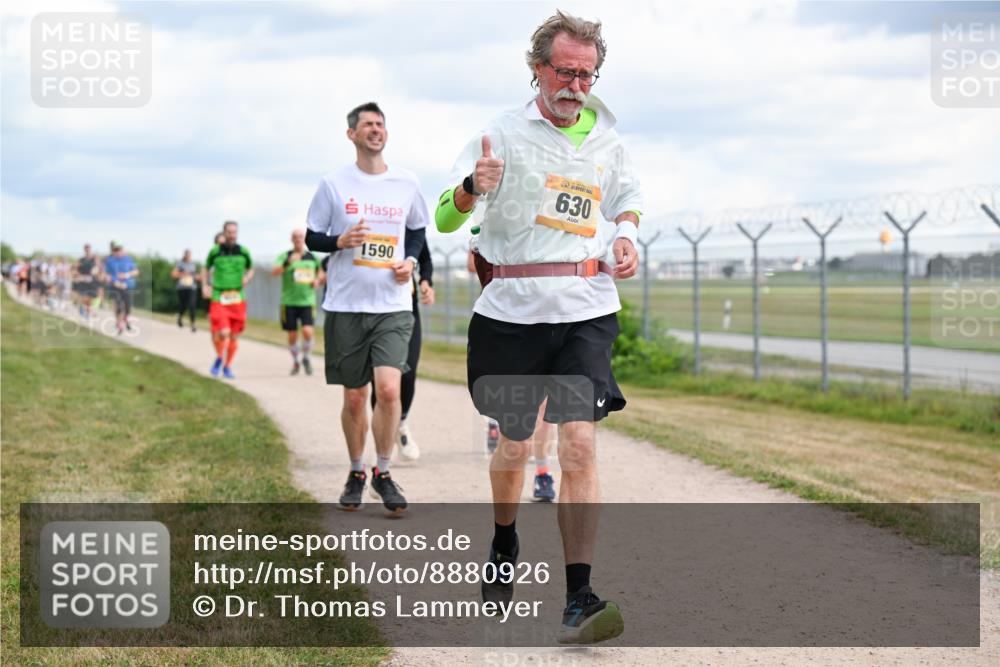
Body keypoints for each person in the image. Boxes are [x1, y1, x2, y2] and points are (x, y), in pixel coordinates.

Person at [436, 11, 642, 644]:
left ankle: (579, 595)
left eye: (587, 73)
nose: (576, 84)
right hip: (512, 312)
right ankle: (504, 540)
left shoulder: (608, 138)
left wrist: (628, 234)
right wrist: (474, 188)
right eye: (565, 71)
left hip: (586, 305)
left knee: (578, 443)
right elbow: (447, 218)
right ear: (537, 69)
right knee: (517, 446)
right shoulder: (500, 132)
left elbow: (625, 198)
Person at [304, 101, 429, 513]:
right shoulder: (333, 184)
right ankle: (357, 470)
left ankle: (385, 472)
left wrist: (410, 262)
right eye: (367, 125)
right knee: (356, 397)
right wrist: (339, 241)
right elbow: (312, 238)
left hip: (393, 304)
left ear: (386, 133)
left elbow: (415, 230)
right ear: (351, 134)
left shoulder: (406, 182)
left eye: (380, 124)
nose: (375, 130)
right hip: (345, 305)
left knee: (389, 390)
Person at [368, 236, 434, 461]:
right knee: (381, 383)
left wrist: (426, 282)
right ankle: (382, 455)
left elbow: (425, 259)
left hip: (407, 310)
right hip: (372, 310)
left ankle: (401, 423)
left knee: (408, 373)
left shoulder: (410, 227)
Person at [201, 221, 253, 379]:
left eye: (234, 232)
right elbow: (205, 268)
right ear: (224, 233)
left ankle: (227, 365)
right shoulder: (215, 251)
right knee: (223, 332)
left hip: (238, 297)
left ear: (237, 233)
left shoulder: (244, 251)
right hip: (219, 296)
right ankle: (219, 357)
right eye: (229, 232)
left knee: (234, 336)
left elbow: (251, 268)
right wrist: (205, 285)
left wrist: (247, 277)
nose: (232, 235)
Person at [270, 229, 324, 376]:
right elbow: (274, 272)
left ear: (304, 238)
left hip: (307, 301)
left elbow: (321, 272)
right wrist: (288, 263)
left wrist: (318, 280)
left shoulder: (312, 257)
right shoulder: (285, 256)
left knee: (307, 331)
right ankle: (295, 361)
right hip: (289, 302)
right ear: (291, 239)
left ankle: (306, 358)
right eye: (295, 237)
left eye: (300, 236)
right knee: (292, 335)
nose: (298, 239)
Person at [103, 241, 139, 334]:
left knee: (128, 307)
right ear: (113, 251)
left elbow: (135, 272)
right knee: (118, 306)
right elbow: (106, 274)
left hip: (128, 286)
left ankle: (125, 319)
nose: (117, 252)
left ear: (122, 250)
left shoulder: (129, 259)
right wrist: (109, 279)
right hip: (115, 286)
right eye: (115, 250)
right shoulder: (109, 261)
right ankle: (120, 324)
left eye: (119, 249)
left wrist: (126, 275)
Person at [172, 249, 199, 331]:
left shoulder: (193, 264)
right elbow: (173, 274)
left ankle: (193, 324)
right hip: (182, 287)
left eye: (190, 255)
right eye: (187, 255)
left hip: (192, 287)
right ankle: (180, 317)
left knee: (192, 305)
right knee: (183, 305)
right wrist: (183, 273)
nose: (188, 257)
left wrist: (198, 277)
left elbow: (195, 275)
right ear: (184, 255)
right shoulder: (180, 264)